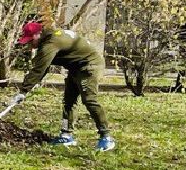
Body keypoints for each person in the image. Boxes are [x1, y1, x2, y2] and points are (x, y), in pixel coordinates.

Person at [10, 16, 115, 151]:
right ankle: (66, 136)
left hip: (89, 65)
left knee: (89, 100)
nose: (30, 45)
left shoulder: (51, 43)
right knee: (69, 100)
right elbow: (43, 67)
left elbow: (39, 69)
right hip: (76, 67)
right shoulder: (51, 38)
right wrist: (27, 88)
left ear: (37, 35)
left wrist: (23, 91)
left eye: (31, 41)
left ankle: (106, 137)